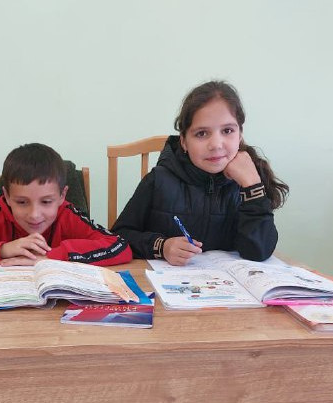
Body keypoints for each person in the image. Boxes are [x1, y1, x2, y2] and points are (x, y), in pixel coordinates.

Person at [111, 80, 288, 265]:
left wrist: (252, 184)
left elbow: (258, 251)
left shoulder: (248, 184)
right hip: (167, 281)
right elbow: (118, 236)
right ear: (184, 141)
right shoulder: (158, 180)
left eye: (227, 130)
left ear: (240, 135)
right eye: (202, 133)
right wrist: (161, 246)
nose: (216, 145)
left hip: (228, 281)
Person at [0, 143, 132, 267]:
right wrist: (1, 249)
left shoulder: (68, 216)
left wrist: (51, 257)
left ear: (62, 196)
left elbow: (119, 247)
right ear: (7, 196)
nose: (34, 214)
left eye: (46, 202)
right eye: (22, 202)